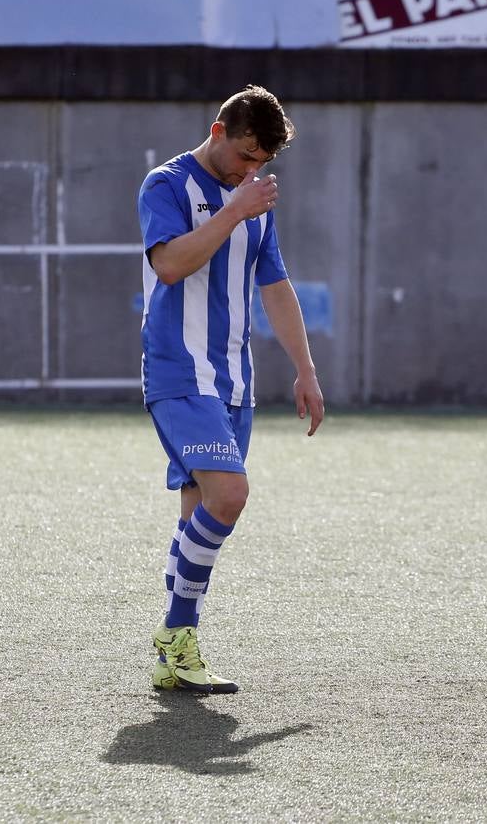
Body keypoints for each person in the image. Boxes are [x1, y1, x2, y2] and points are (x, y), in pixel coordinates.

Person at [137, 85, 324, 693]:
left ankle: (178, 650)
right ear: (218, 130)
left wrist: (306, 368)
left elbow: (275, 287)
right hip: (177, 371)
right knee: (231, 495)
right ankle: (173, 633)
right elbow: (169, 265)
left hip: (234, 380)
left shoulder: (256, 202)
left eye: (261, 163)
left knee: (200, 509)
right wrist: (235, 209)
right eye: (245, 155)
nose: (252, 170)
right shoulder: (166, 185)